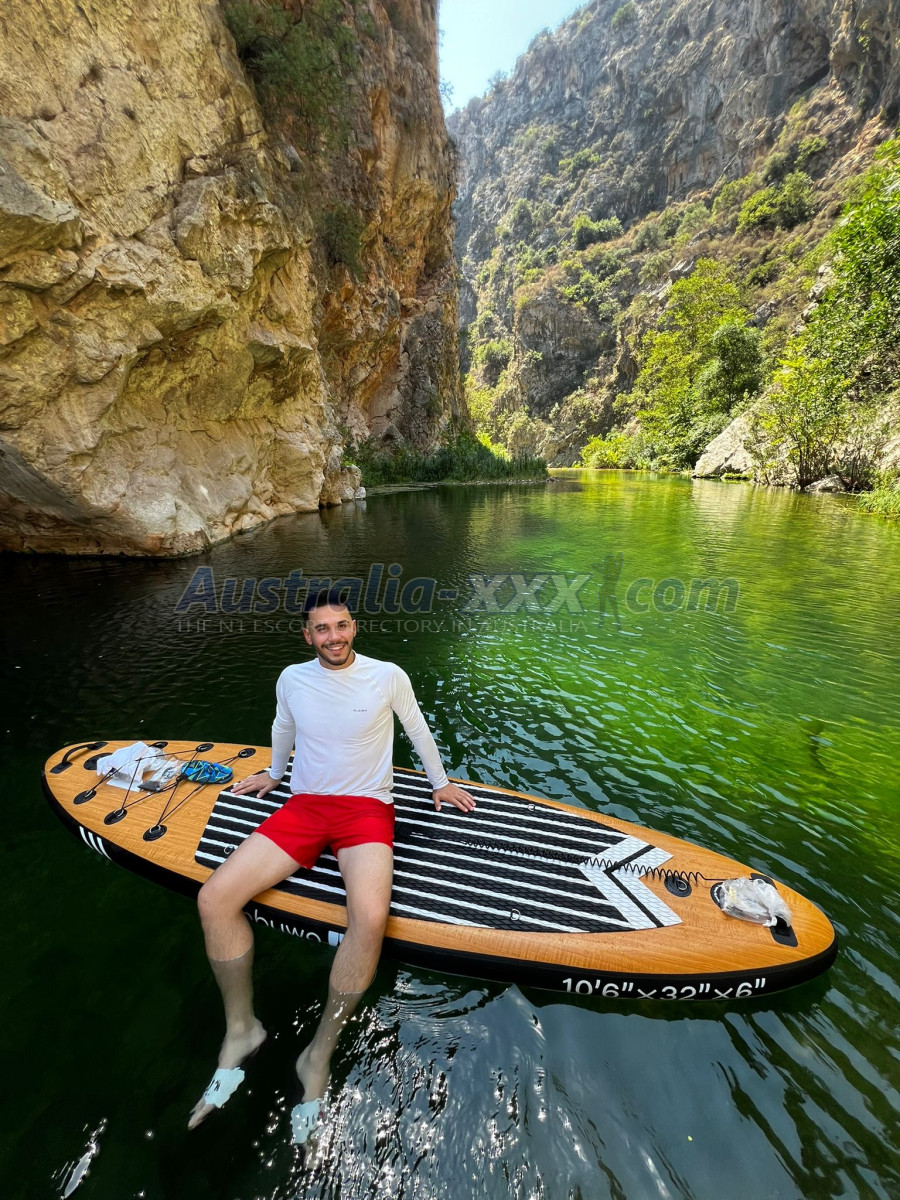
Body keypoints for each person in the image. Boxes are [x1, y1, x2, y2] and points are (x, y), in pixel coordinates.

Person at [188, 588, 475, 1138]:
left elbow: (416, 728)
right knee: (215, 899)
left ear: (353, 627)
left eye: (340, 625)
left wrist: (439, 783)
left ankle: (316, 1054)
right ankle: (242, 1028)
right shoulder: (292, 679)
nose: (333, 636)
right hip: (305, 806)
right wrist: (275, 773)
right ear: (308, 636)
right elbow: (283, 727)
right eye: (322, 629)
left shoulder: (386, 675)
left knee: (369, 918)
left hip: (366, 811)